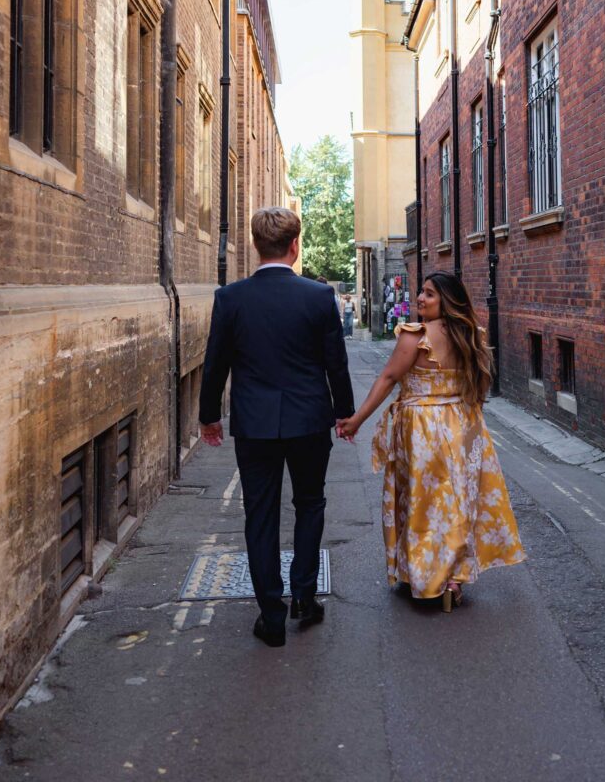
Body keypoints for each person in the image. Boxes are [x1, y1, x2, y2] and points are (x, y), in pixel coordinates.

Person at [198, 207, 355, 647]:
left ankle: (271, 614)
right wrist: (345, 413)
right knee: (310, 503)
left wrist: (209, 415)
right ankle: (303, 596)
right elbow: (335, 364)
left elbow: (215, 365)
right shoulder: (318, 296)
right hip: (308, 420)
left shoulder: (231, 298)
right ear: (294, 246)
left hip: (255, 423)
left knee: (260, 514)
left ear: (254, 245)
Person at [338, 272, 525, 612]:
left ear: (446, 302)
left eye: (429, 295)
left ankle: (428, 579)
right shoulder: (469, 335)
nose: (420, 299)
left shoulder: (415, 336)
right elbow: (479, 386)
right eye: (421, 292)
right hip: (465, 424)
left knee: (424, 505)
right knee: (458, 501)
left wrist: (356, 420)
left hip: (422, 428)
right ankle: (455, 576)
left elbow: (388, 378)